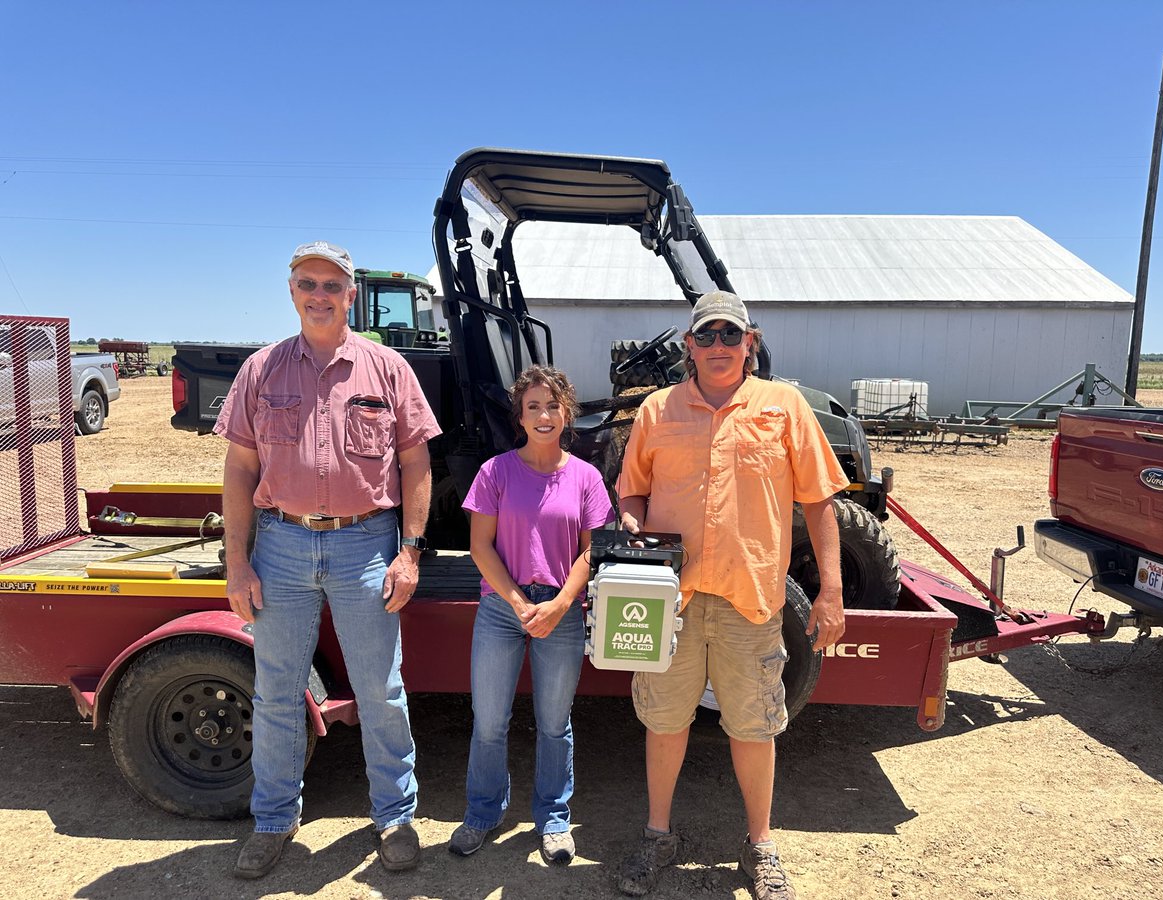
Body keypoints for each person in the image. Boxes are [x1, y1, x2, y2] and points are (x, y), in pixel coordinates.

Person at [216, 240, 441, 879]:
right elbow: (238, 469)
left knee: (381, 689)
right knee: (278, 692)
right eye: (307, 284)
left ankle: (395, 817)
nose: (319, 295)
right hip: (280, 544)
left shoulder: (388, 369)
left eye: (331, 285)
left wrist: (411, 552)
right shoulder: (260, 371)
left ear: (351, 295)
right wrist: (239, 563)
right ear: (292, 293)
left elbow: (416, 462)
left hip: (366, 543)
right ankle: (273, 821)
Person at [615, 290, 849, 900]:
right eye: (706, 335)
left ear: (751, 340)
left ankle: (760, 845)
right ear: (688, 345)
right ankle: (658, 834)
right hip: (674, 602)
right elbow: (632, 492)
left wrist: (832, 591)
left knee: (753, 726)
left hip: (751, 600)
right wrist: (633, 520)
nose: (718, 345)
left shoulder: (784, 406)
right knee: (665, 722)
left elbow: (821, 500)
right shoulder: (656, 411)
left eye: (730, 334)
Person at [449, 365, 613, 865]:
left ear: (568, 413)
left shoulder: (586, 477)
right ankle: (482, 813)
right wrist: (520, 603)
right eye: (533, 406)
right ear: (520, 415)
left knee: (553, 723)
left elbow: (593, 552)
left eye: (553, 405)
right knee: (489, 722)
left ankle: (554, 820)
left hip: (561, 610)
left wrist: (562, 603)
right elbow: (480, 547)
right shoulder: (494, 472)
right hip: (503, 607)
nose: (544, 415)